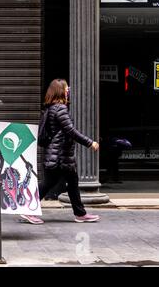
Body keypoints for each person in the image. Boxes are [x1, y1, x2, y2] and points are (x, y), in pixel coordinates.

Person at [21, 79, 101, 224]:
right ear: (60, 91)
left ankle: (80, 213)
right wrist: (90, 143)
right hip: (59, 155)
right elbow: (70, 130)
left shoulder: (52, 108)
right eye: (66, 88)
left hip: (59, 154)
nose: (68, 90)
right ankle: (27, 209)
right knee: (49, 183)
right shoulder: (60, 109)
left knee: (71, 182)